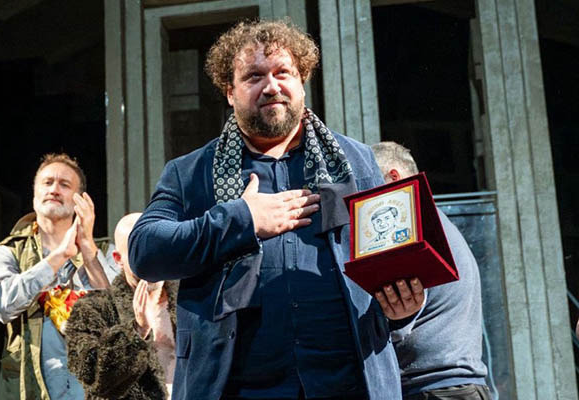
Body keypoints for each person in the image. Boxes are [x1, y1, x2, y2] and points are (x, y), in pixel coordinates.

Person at [129, 20, 425, 400]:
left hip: (348, 385)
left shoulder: (356, 161)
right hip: (237, 390)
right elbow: (145, 251)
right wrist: (242, 219)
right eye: (254, 76)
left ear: (302, 81)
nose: (271, 86)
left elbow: (389, 260)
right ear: (230, 92)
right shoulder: (190, 173)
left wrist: (402, 309)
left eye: (283, 72)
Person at [0, 153, 119, 400]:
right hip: (31, 391)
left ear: (80, 200)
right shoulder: (8, 252)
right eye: (47, 183)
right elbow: (2, 305)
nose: (54, 190)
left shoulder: (106, 252)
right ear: (35, 194)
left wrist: (88, 250)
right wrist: (59, 256)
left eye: (65, 185)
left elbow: (121, 314)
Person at [371, 141, 492, 400]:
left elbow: (398, 321)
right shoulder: (436, 224)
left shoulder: (409, 229)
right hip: (457, 385)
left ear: (394, 177)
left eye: (368, 185)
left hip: (435, 387)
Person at [65, 213, 179, 399]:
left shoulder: (191, 300)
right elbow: (95, 380)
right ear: (118, 259)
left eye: (156, 248)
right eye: (138, 251)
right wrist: (137, 330)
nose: (150, 258)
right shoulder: (92, 309)